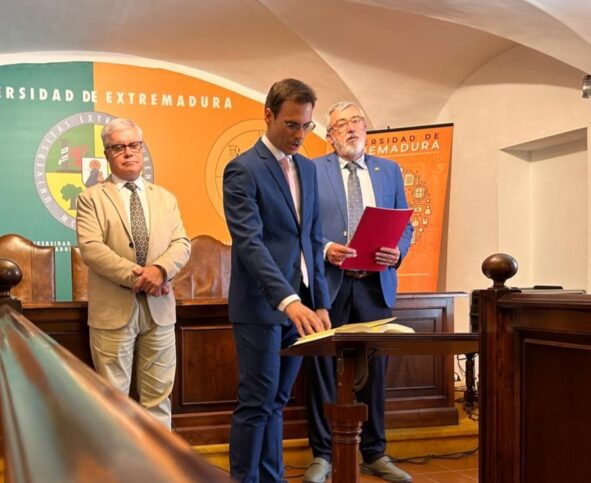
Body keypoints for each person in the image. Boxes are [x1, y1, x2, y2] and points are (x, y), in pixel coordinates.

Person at [223, 78, 332, 483]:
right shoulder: (243, 169)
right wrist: (288, 300)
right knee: (257, 402)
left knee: (278, 401)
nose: (299, 136)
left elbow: (312, 238)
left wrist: (319, 301)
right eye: (291, 125)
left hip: (303, 306)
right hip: (262, 306)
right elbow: (250, 244)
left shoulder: (307, 168)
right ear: (268, 115)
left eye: (306, 126)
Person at [303, 101, 414, 483]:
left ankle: (375, 452)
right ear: (329, 136)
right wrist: (324, 249)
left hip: (374, 285)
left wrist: (398, 251)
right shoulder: (311, 170)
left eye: (356, 122)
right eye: (341, 125)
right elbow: (302, 227)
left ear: (365, 128)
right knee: (321, 368)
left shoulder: (389, 170)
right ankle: (322, 455)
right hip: (329, 285)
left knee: (375, 371)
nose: (351, 129)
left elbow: (405, 225)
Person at [76, 118, 191, 429]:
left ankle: (158, 459)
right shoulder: (90, 199)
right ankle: (117, 460)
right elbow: (91, 249)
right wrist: (142, 277)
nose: (127, 152)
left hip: (160, 311)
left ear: (142, 149)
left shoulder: (165, 198)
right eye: (118, 147)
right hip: (113, 311)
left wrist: (161, 270)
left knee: (158, 399)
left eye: (134, 145)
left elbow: (182, 243)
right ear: (107, 154)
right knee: (113, 403)